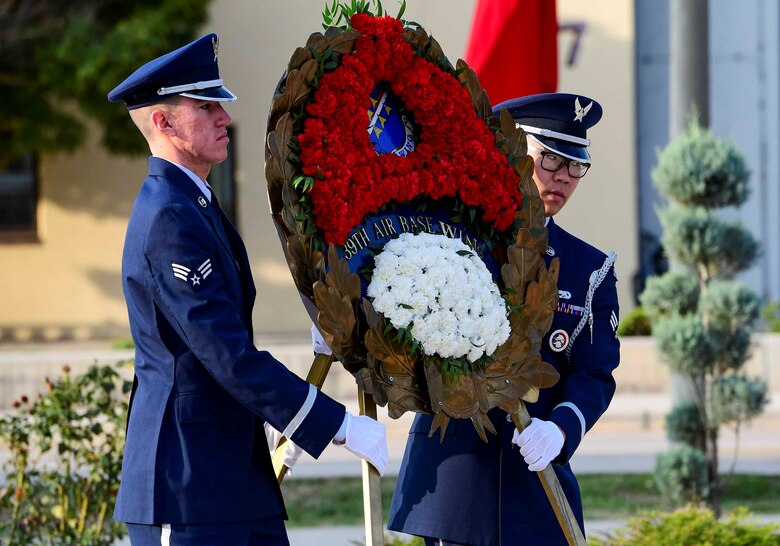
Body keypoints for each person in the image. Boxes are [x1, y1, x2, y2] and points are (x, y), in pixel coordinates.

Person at [107, 33, 387, 546]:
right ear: (163, 122)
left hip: (229, 480)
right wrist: (330, 421)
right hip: (187, 485)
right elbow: (225, 354)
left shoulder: (195, 204)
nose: (225, 118)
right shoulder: (170, 215)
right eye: (205, 105)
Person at [387, 93, 620, 545]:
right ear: (511, 153)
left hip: (535, 482)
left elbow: (595, 372)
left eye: (576, 166)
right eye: (550, 159)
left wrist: (562, 428)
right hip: (454, 481)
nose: (564, 179)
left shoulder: (587, 268)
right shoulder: (450, 241)